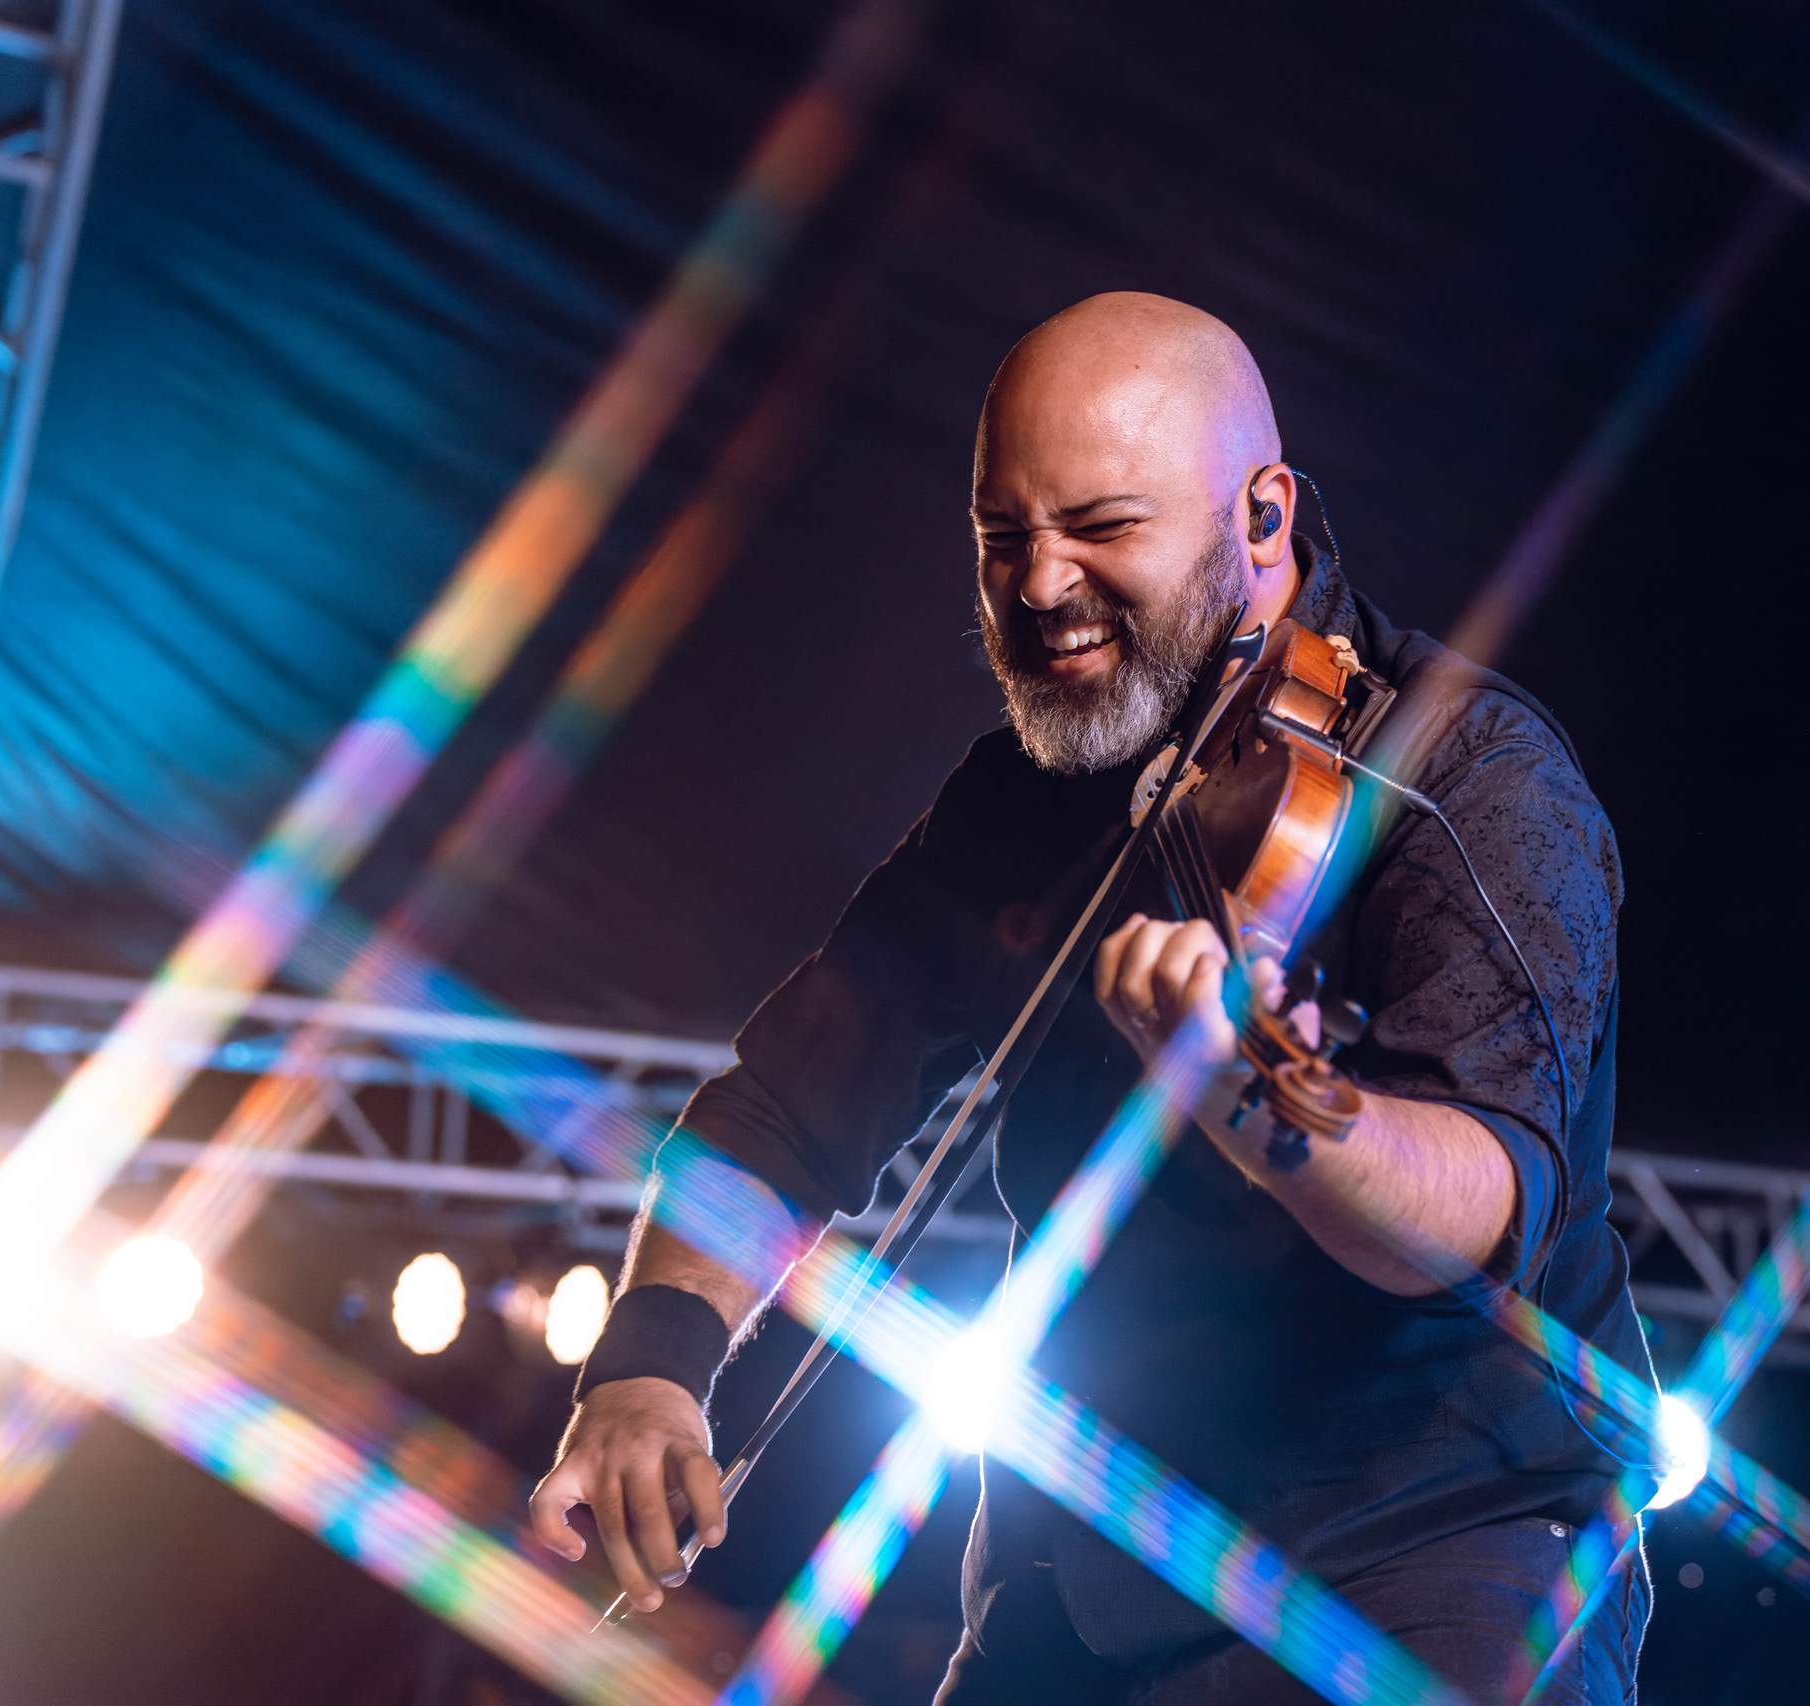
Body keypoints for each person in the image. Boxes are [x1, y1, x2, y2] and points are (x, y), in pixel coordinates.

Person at [529, 292, 1655, 1703]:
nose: (1039, 586)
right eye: (1004, 536)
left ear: (1263, 515)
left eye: (1103, 528)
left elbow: (1473, 1216)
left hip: (1422, 1555)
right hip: (1086, 1575)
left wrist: (1262, 1104)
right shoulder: (1030, 791)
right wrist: (649, 1363)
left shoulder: (1470, 778)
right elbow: (785, 1101)